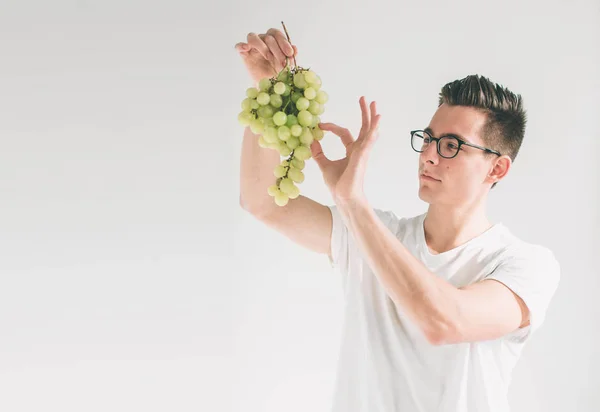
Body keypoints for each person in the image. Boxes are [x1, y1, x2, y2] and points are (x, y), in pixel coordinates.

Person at [235, 28, 561, 412]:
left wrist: (354, 204)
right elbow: (263, 202)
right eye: (428, 137)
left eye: (452, 145)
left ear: (498, 169)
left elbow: (442, 322)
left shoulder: (525, 265)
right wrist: (271, 92)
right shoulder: (376, 234)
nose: (429, 155)